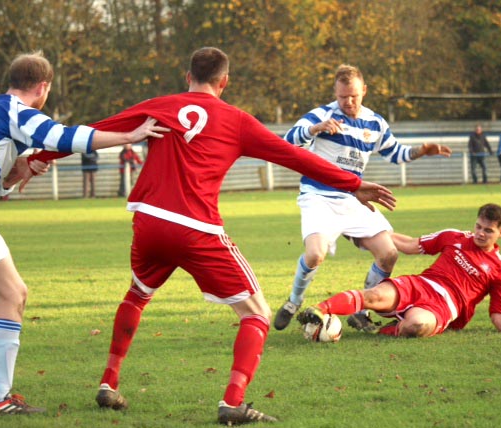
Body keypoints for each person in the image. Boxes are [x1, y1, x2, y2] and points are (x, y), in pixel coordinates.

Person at [28, 47, 396, 425]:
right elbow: (294, 156)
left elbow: (96, 130)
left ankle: (108, 383)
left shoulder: (161, 104)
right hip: (195, 229)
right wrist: (353, 183)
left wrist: (37, 158)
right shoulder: (237, 121)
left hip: (148, 221)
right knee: (257, 314)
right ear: (225, 82)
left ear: (188, 78)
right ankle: (232, 403)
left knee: (137, 295)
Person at [0, 51, 168, 416]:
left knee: (11, 292)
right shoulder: (18, 111)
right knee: (12, 293)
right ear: (43, 87)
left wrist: (15, 172)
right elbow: (64, 137)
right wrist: (132, 134)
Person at [273, 64, 452, 333]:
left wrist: (421, 151)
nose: (348, 102)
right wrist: (314, 130)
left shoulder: (376, 122)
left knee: (388, 254)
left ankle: (361, 311)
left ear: (364, 91)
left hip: (355, 198)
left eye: (354, 96)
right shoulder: (320, 115)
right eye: (343, 96)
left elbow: (396, 154)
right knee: (315, 255)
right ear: (335, 92)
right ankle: (293, 302)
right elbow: (287, 143)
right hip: (319, 196)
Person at [297, 203, 501, 338]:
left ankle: (381, 331)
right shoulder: (454, 237)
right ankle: (318, 310)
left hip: (444, 307)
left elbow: (498, 313)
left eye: (488, 230)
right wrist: (366, 230)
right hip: (420, 284)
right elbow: (410, 245)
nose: (480, 233)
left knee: (416, 326)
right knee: (373, 296)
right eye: (478, 226)